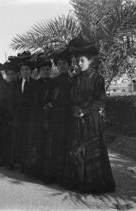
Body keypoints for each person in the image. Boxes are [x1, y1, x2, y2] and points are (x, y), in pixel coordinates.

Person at [68, 35, 115, 193]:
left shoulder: (97, 79)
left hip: (91, 120)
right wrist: (74, 109)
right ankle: (80, 183)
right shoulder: (74, 80)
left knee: (93, 151)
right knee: (77, 151)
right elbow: (70, 99)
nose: (79, 64)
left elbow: (100, 100)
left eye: (82, 60)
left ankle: (94, 184)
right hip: (76, 119)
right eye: (77, 61)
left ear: (90, 61)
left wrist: (85, 111)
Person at [26, 54, 56, 181]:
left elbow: (57, 98)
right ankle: (36, 171)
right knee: (37, 144)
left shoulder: (55, 83)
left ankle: (49, 174)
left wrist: (51, 104)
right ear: (39, 72)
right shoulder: (34, 85)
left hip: (52, 118)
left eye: (47, 69)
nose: (45, 72)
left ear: (50, 70)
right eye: (43, 70)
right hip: (38, 118)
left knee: (50, 145)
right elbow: (31, 101)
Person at [50, 48, 76, 187]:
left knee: (70, 146)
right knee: (58, 145)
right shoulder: (53, 81)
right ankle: (58, 175)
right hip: (57, 117)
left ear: (69, 64)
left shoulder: (74, 80)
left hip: (70, 116)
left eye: (64, 63)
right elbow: (51, 99)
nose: (61, 66)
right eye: (59, 63)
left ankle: (70, 177)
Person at [12, 51, 36, 172]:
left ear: (30, 71)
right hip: (19, 117)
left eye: (27, 69)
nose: (25, 72)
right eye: (23, 70)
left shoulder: (35, 84)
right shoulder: (16, 84)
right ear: (20, 71)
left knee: (29, 140)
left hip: (31, 117)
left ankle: (29, 165)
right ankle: (20, 163)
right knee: (19, 139)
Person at [1, 56, 20, 168]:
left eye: (13, 73)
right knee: (7, 139)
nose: (11, 76)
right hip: (6, 116)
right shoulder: (5, 86)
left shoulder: (18, 85)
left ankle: (14, 161)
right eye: (9, 74)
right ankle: (7, 160)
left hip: (16, 116)